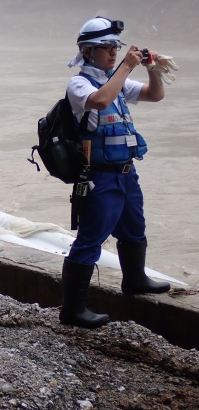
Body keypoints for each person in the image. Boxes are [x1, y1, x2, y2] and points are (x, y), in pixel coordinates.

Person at [60, 16, 170, 329]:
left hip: (125, 172)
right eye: (105, 48)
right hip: (99, 175)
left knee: (135, 228)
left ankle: (135, 280)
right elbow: (100, 100)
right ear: (86, 51)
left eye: (115, 47)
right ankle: (73, 309)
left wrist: (153, 68)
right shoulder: (80, 83)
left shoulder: (117, 80)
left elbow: (155, 95)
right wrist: (126, 66)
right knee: (91, 237)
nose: (112, 53)